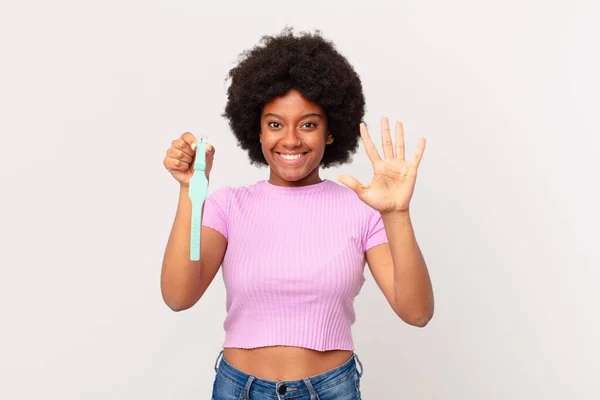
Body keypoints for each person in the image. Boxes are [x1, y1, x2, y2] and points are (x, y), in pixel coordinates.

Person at [161, 28, 434, 400]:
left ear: (330, 132)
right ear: (256, 130)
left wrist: (398, 213)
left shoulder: (362, 210)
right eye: (275, 124)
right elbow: (178, 296)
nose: (290, 139)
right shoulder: (228, 206)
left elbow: (416, 312)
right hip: (239, 389)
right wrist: (190, 191)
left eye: (308, 124)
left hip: (331, 389)